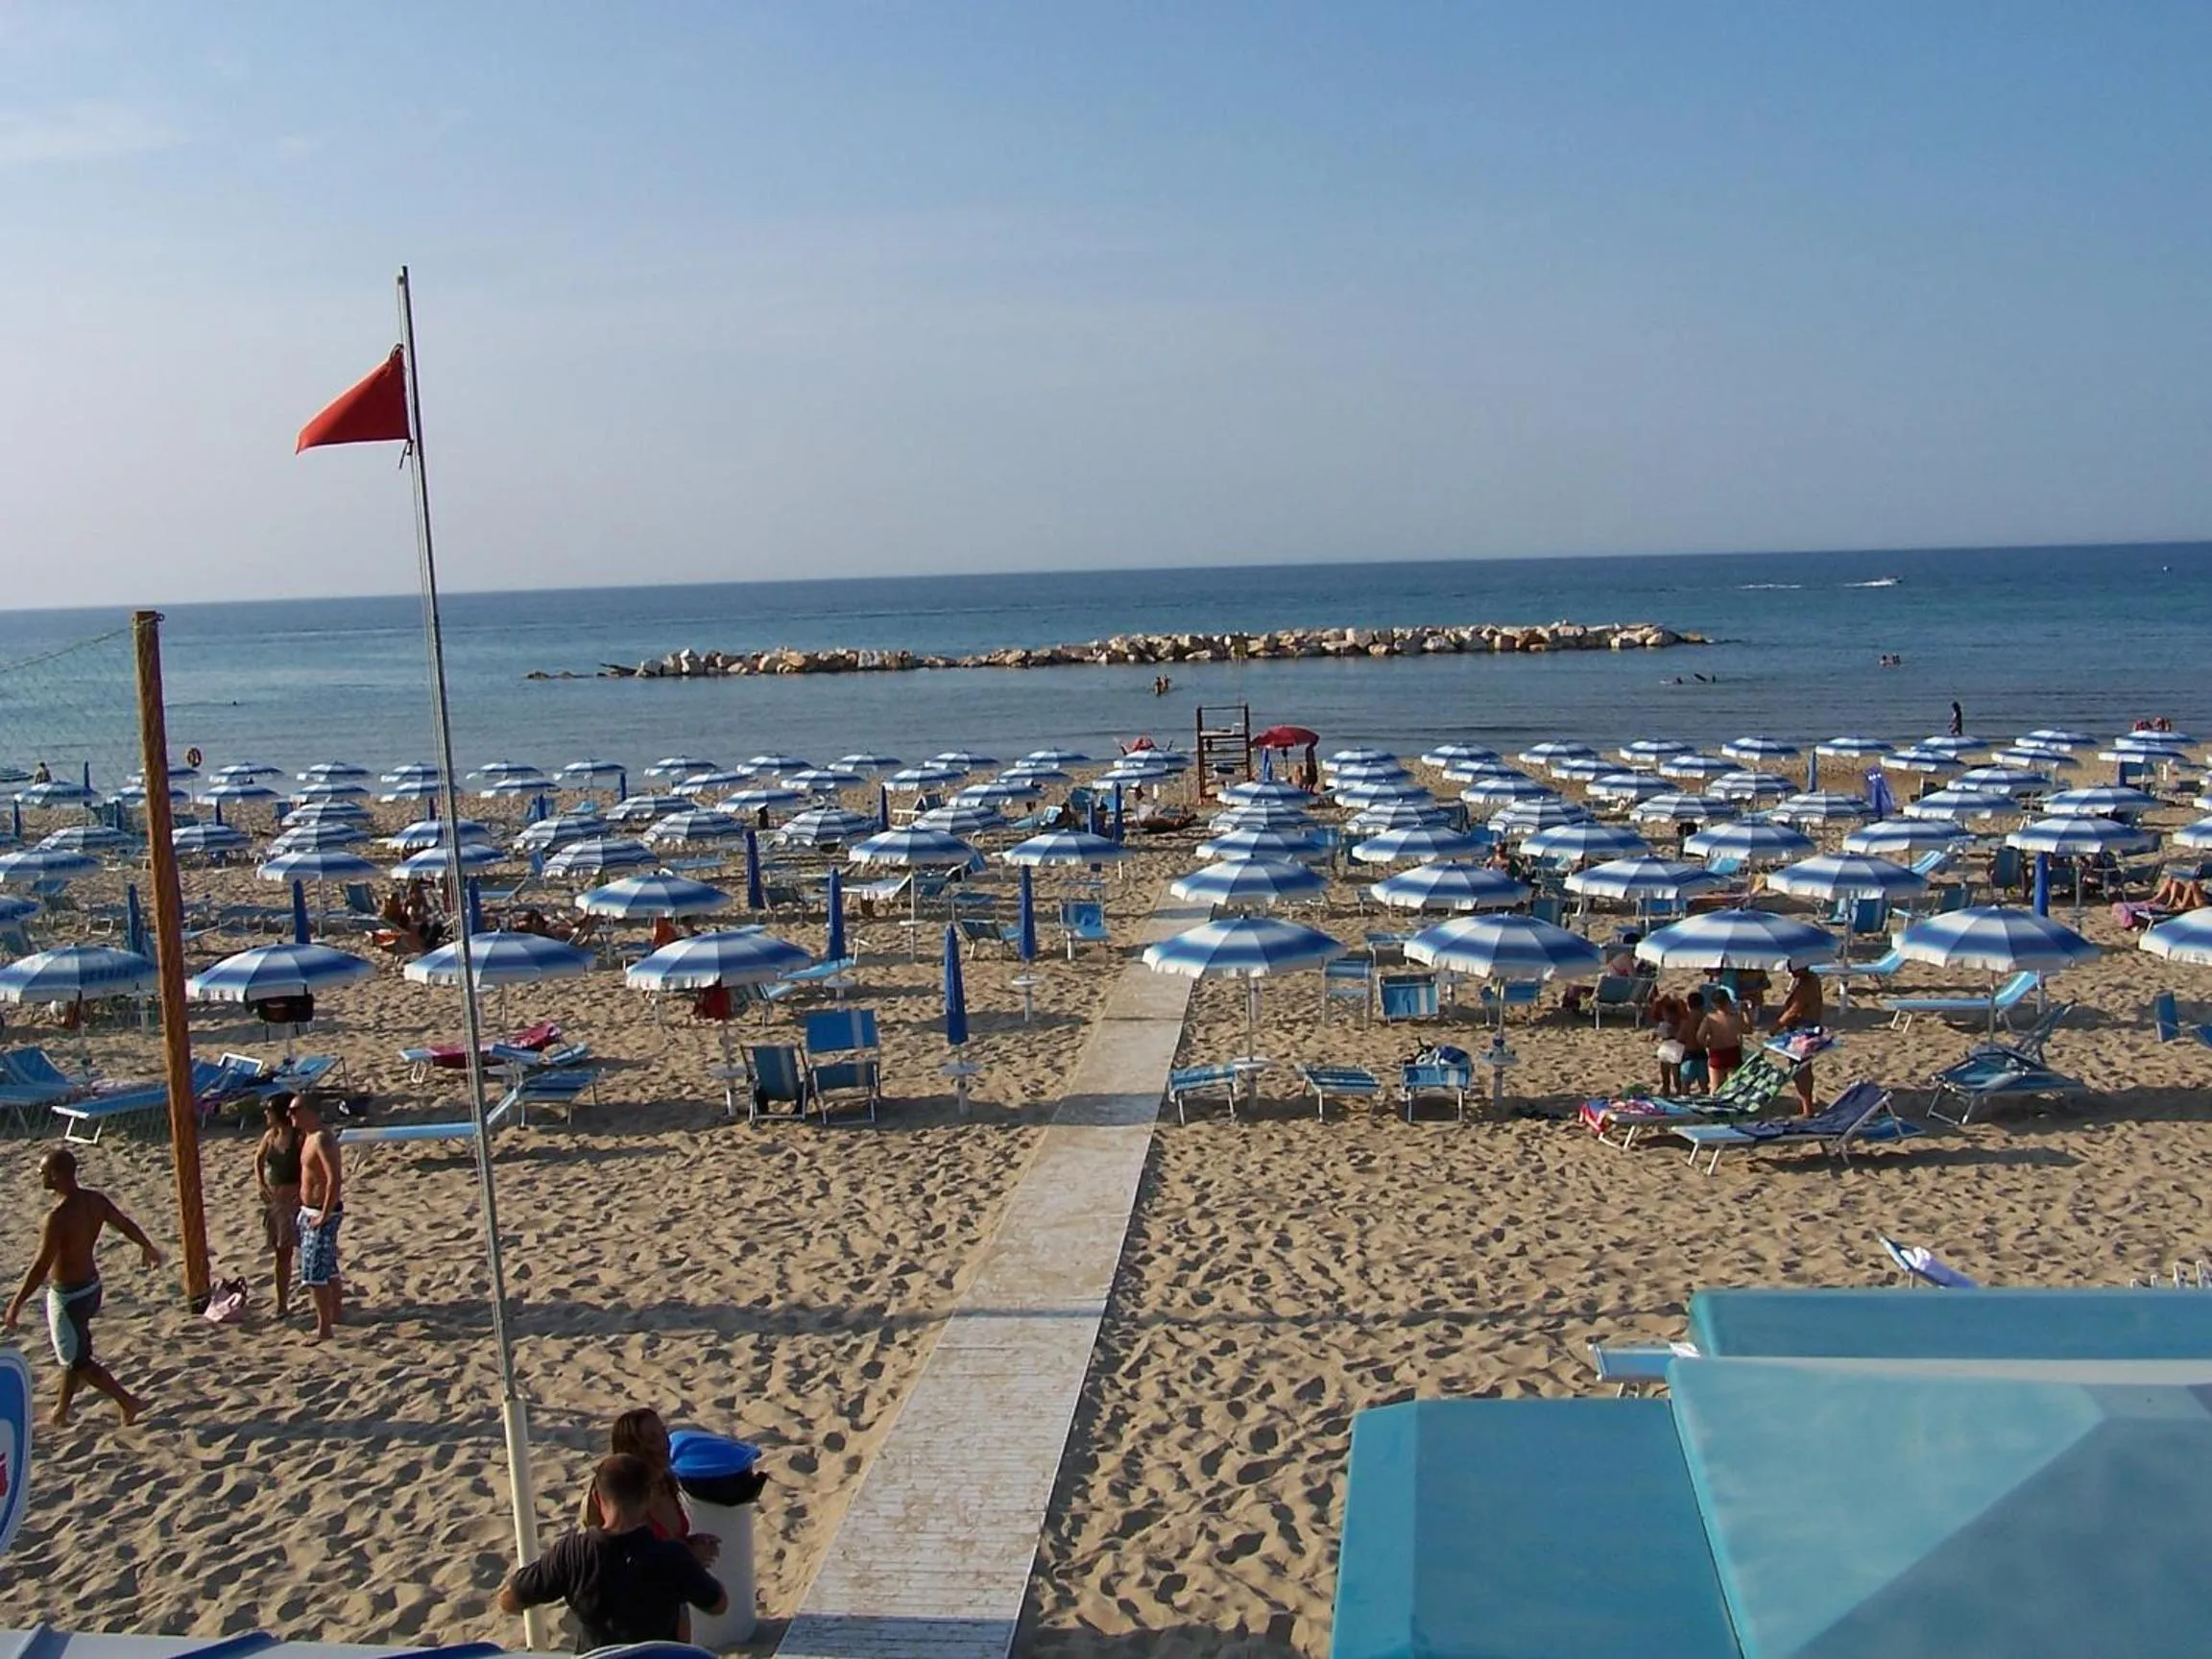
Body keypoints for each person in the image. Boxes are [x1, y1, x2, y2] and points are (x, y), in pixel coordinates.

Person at [502, 1453, 728, 1650]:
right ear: (647, 1498)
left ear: (596, 1499)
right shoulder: (673, 1556)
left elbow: (510, 1601)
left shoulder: (573, 1552)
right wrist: (691, 1567)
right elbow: (718, 1605)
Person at [3, 1149, 159, 1427]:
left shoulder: (57, 1217)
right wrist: (146, 1245)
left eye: (42, 1171)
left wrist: (16, 1304)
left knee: (79, 1360)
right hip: (92, 1288)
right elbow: (123, 1224)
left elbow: (41, 1266)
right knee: (73, 1351)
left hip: (68, 1297)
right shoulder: (94, 1200)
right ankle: (61, 1411)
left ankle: (127, 1401)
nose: (39, 1176)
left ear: (55, 1175)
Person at [579, 1407, 719, 1563]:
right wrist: (686, 1555)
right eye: (652, 1440)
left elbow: (667, 1542)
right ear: (633, 1448)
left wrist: (690, 1543)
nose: (664, 1444)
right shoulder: (621, 1496)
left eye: (663, 1434)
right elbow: (621, 1557)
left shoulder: (666, 1482)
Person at [292, 1094, 345, 1341]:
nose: (290, 1115)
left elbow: (334, 1178)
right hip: (308, 1210)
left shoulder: (323, 1138)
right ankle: (336, 1314)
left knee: (314, 1275)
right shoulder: (307, 1136)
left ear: (310, 1111)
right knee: (328, 1267)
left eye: (295, 1110)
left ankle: (325, 1329)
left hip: (322, 1213)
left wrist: (325, 1213)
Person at [254, 1096, 304, 1317]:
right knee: (281, 1256)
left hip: (297, 1202)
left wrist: (303, 1191)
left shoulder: (298, 1136)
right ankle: (282, 1305)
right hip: (277, 1203)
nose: (266, 1114)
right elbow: (258, 1158)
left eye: (269, 1110)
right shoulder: (270, 1136)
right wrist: (260, 1182)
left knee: (309, 1252)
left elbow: (309, 1165)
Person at [1774, 965, 1825, 1114]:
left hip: (1802, 1032)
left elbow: (1793, 1011)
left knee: (1800, 1070)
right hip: (1807, 1028)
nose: (1790, 972)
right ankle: (1807, 1105)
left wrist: (1775, 1027)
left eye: (1793, 968)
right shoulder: (1811, 979)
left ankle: (1807, 1108)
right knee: (1802, 1069)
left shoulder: (1806, 986)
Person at [1697, 987, 1747, 1092]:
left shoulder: (1710, 1018)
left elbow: (1700, 1037)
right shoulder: (1734, 1017)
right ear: (1728, 1002)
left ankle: (1713, 1104)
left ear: (1713, 1004)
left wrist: (1707, 1044)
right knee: (1733, 1085)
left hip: (1717, 1052)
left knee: (1714, 1086)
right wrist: (1745, 1012)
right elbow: (1748, 1029)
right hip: (1733, 1051)